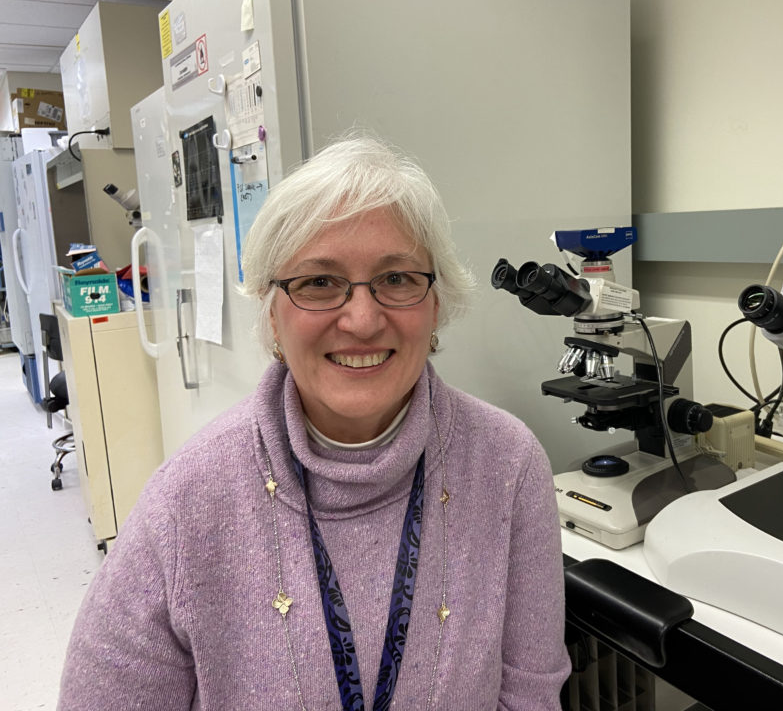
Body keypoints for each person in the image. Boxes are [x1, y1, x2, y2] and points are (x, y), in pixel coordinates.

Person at [58, 134, 570, 710]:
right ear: (273, 314)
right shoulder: (188, 499)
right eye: (319, 282)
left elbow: (529, 697)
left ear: (437, 304)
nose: (361, 318)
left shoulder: (508, 464)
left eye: (397, 278)